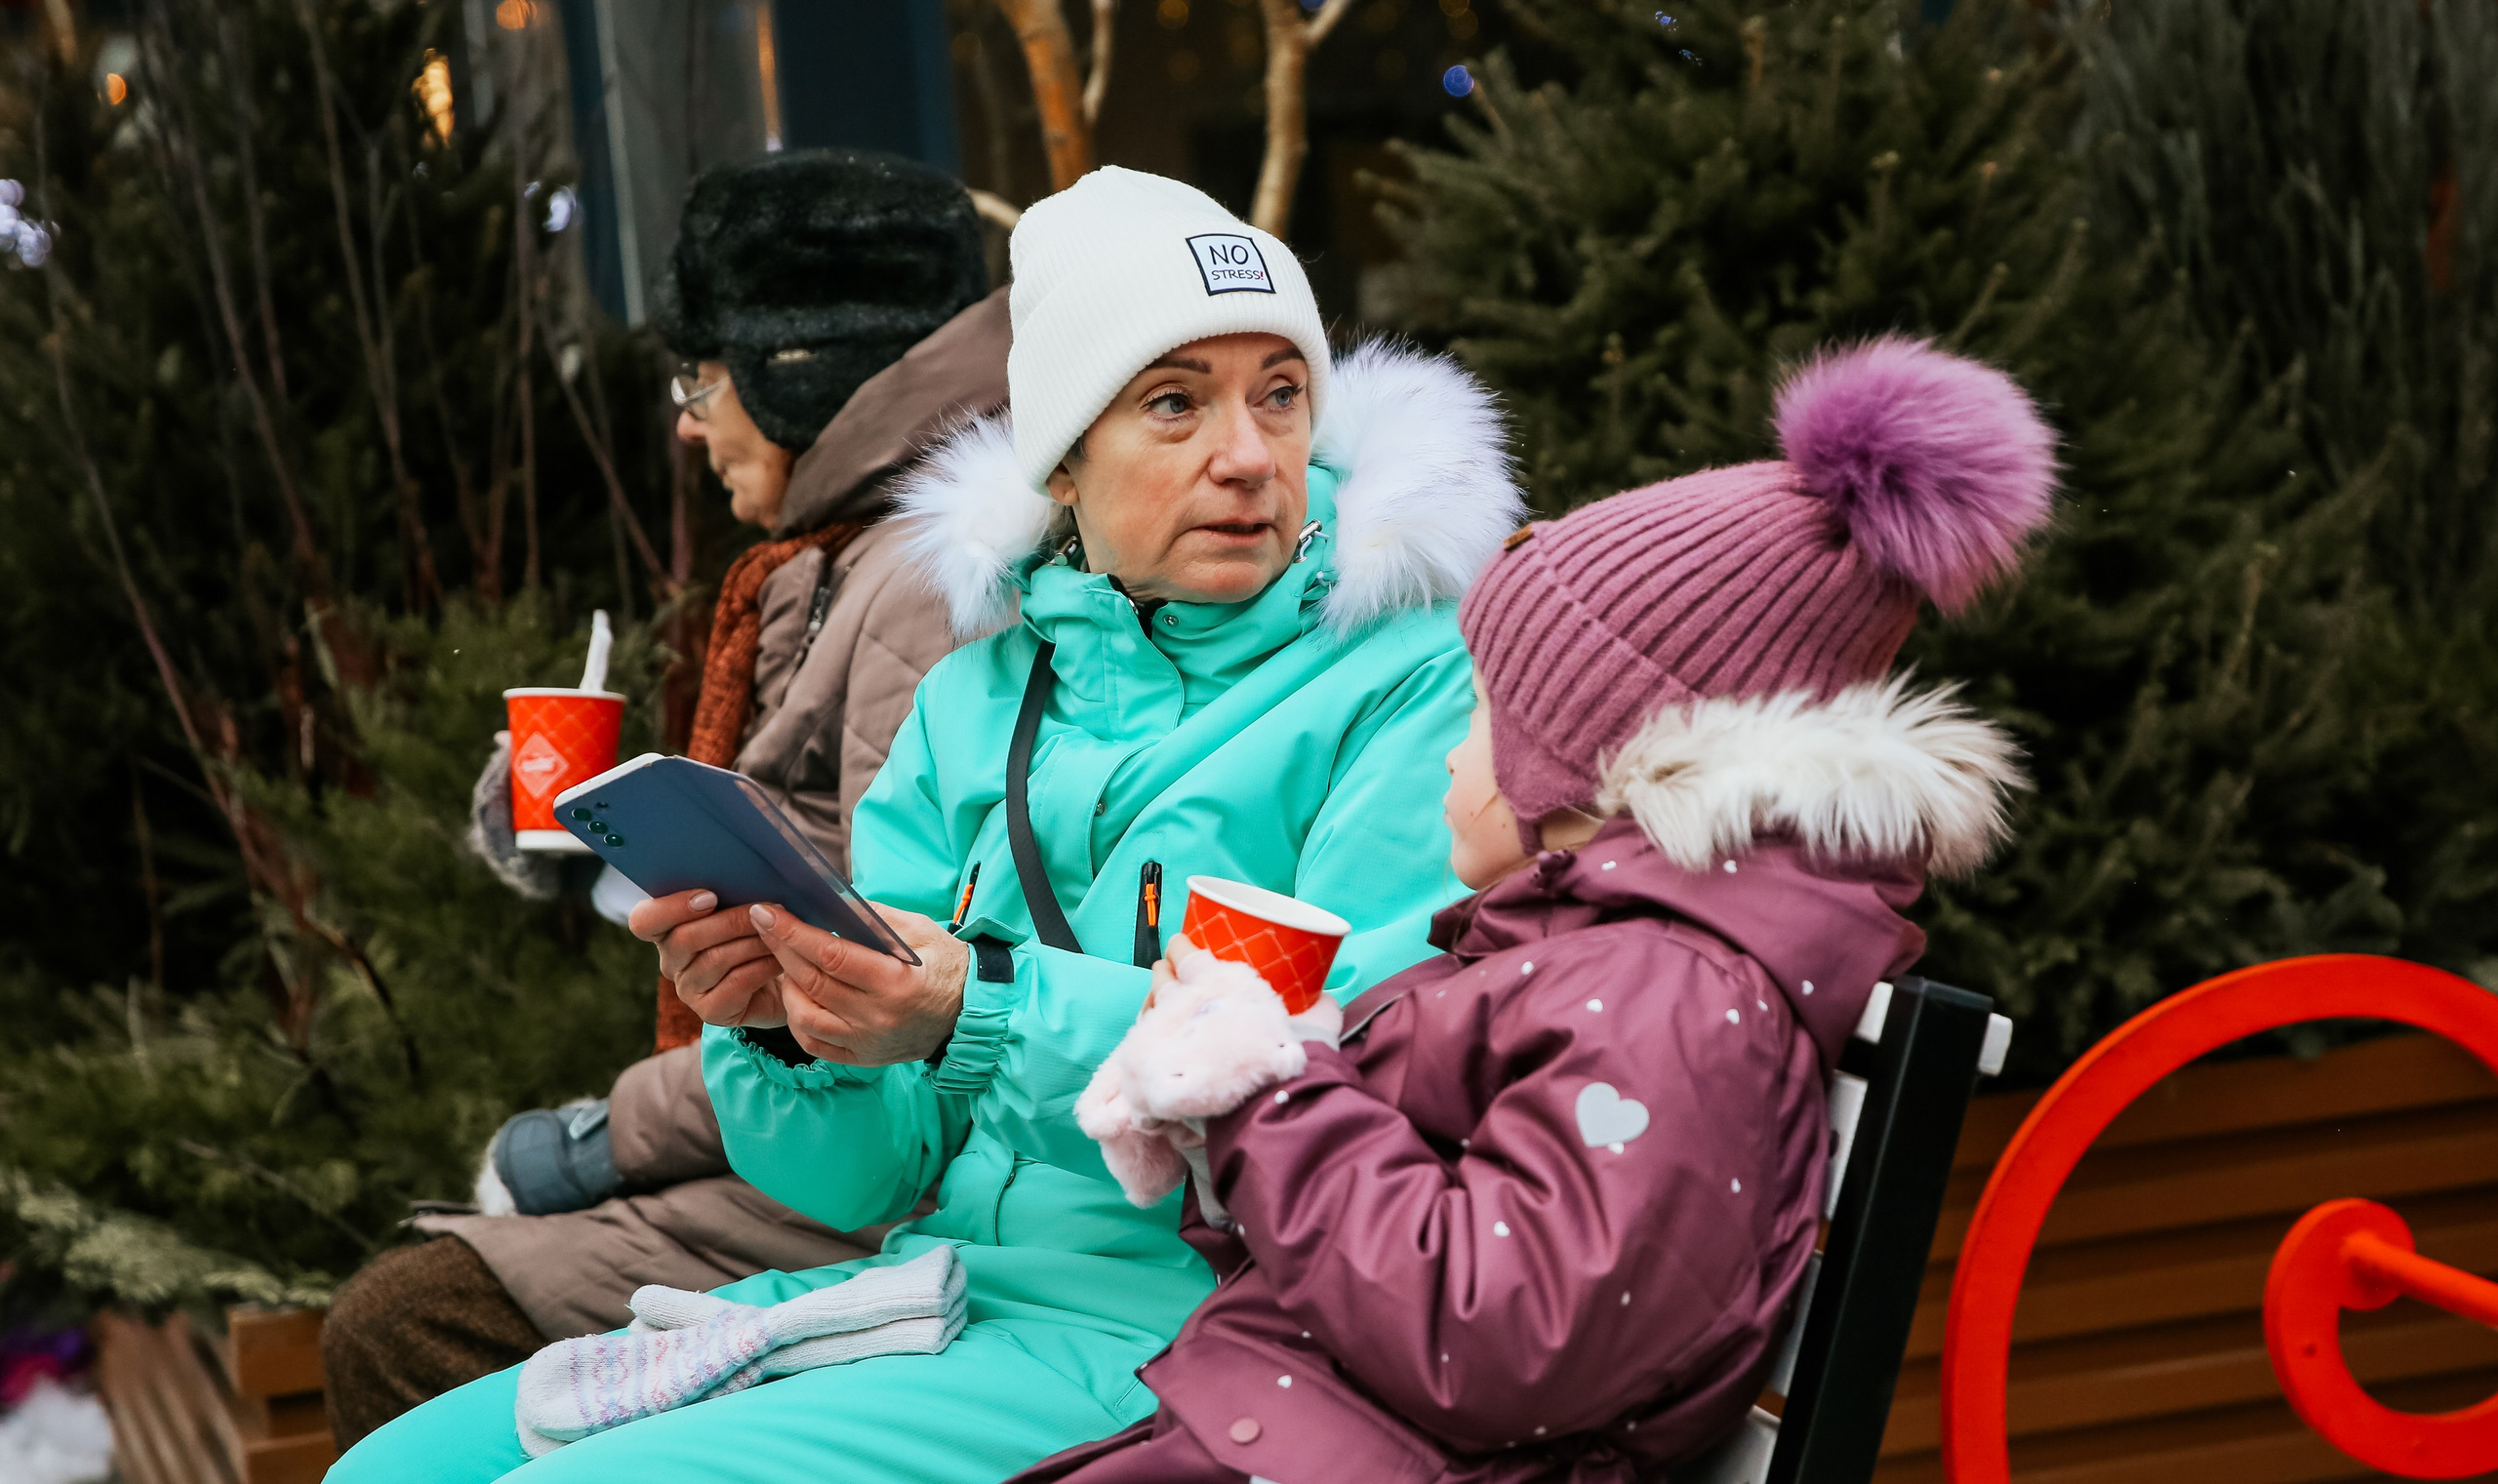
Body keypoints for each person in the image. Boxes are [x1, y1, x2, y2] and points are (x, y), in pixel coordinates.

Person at [327, 164, 1523, 1482]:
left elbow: (1363, 1071)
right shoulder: (978, 699)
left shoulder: (1412, 677)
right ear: (1061, 458)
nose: (1246, 454)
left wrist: (979, 1006)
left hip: (1207, 1329)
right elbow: (867, 1177)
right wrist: (783, 1026)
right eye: (1175, 402)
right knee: (388, 1472)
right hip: (933, 1292)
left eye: (1280, 393)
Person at [1030, 338, 2055, 1483]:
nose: (1451, 751)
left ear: (1578, 753)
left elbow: (1496, 1337)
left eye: (1480, 709)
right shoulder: (1579, 953)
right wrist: (1236, 1105)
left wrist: (1272, 1096)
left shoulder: (1666, 1002)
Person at [320, 148, 1006, 1449]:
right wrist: (602, 854)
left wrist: (600, 1139)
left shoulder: (923, 578)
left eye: (703, 378)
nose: (688, 424)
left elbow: (869, 969)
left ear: (800, 368)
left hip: (880, 1192)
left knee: (407, 1321)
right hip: (805, 1142)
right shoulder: (843, 559)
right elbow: (805, 869)